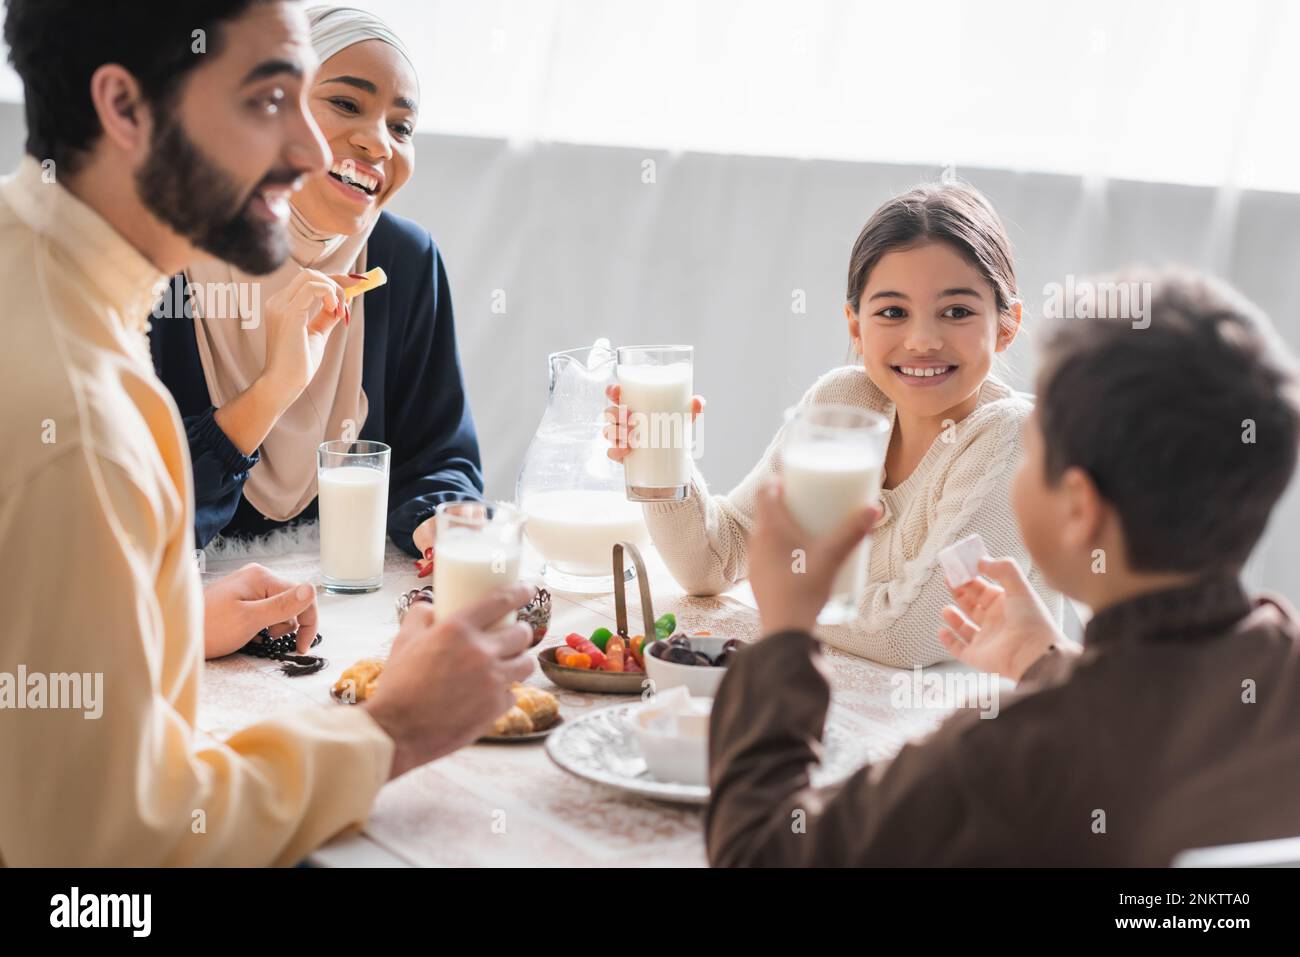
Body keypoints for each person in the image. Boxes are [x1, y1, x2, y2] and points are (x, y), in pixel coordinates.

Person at [0, 0, 530, 866]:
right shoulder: (86, 426)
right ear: (126, 109)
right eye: (267, 101)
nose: (316, 152)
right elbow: (106, 854)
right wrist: (392, 729)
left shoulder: (39, 275)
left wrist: (165, 618)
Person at [705, 267, 1300, 865]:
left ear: (1078, 508)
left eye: (1031, 448)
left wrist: (785, 634)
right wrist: (1048, 664)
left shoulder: (1001, 759)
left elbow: (760, 852)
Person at [604, 182, 1059, 666]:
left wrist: (786, 600)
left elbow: (906, 635)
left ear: (1006, 325)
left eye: (957, 312)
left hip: (973, 730)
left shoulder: (1014, 439)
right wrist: (663, 458)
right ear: (855, 327)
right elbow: (714, 563)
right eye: (892, 312)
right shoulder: (846, 401)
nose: (923, 340)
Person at [150, 5, 481, 560]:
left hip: (347, 609)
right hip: (186, 611)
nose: (379, 145)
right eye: (346, 103)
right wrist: (274, 390)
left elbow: (438, 455)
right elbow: (132, 524)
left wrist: (437, 520)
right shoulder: (157, 255)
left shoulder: (404, 259)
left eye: (401, 127)